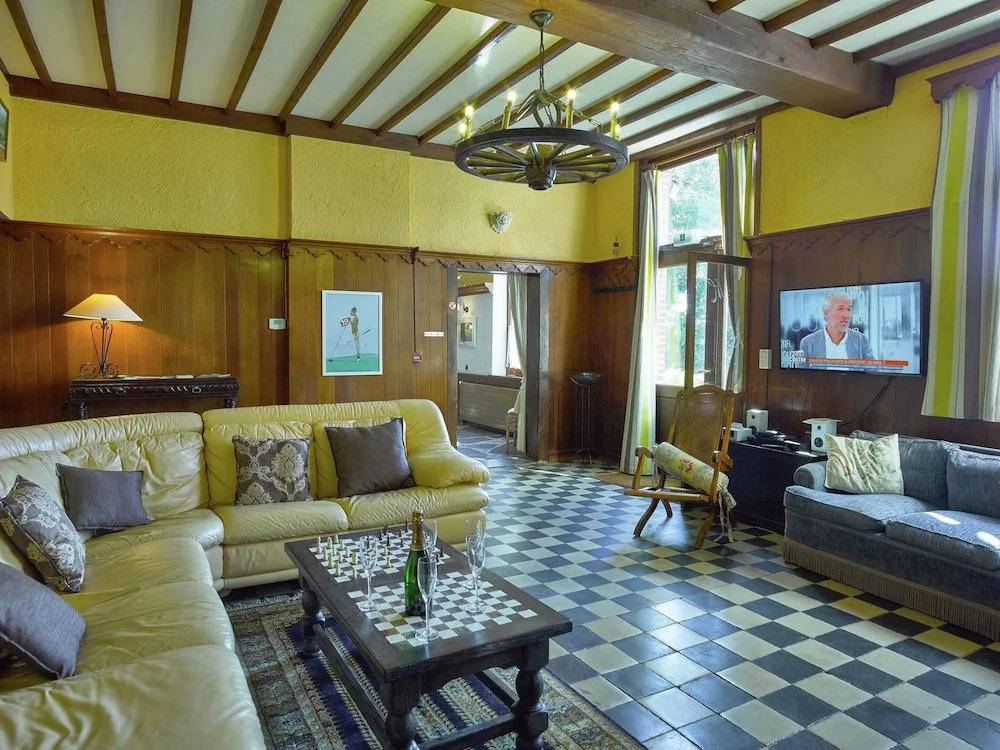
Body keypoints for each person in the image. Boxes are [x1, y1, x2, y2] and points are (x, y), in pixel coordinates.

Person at [798, 291, 874, 362]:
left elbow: (873, 369)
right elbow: (801, 371)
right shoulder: (807, 343)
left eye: (848, 309)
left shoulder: (861, 340)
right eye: (840, 309)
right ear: (826, 313)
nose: (846, 315)